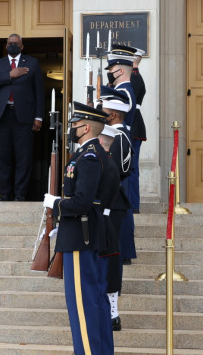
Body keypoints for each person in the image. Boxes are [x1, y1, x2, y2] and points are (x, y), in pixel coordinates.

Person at [43, 101, 117, 355]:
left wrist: (57, 204)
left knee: (83, 305)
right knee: (95, 301)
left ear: (85, 127)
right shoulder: (96, 154)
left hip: (80, 236)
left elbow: (84, 202)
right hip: (83, 232)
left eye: (75, 125)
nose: (72, 129)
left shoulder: (88, 157)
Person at [0, 33, 44, 201]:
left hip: (24, 117)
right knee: (2, 157)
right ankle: (5, 193)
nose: (12, 45)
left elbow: (39, 91)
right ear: (5, 46)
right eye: (10, 43)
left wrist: (38, 117)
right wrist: (10, 75)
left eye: (16, 43)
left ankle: (20, 194)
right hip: (1, 116)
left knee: (23, 157)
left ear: (22, 46)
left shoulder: (32, 63)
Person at [98, 86, 133, 331]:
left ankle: (113, 310)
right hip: (109, 202)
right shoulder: (117, 134)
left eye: (102, 111)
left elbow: (116, 172)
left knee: (112, 255)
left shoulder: (117, 137)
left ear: (112, 116)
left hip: (112, 202)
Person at [106, 45, 138, 264]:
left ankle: (123, 251)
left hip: (120, 151)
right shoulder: (124, 89)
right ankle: (123, 250)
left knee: (121, 205)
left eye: (113, 68)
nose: (111, 72)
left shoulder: (125, 91)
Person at [130, 48, 147, 215]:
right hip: (133, 125)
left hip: (133, 125)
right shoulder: (133, 76)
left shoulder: (133, 77)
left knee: (131, 168)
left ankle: (132, 203)